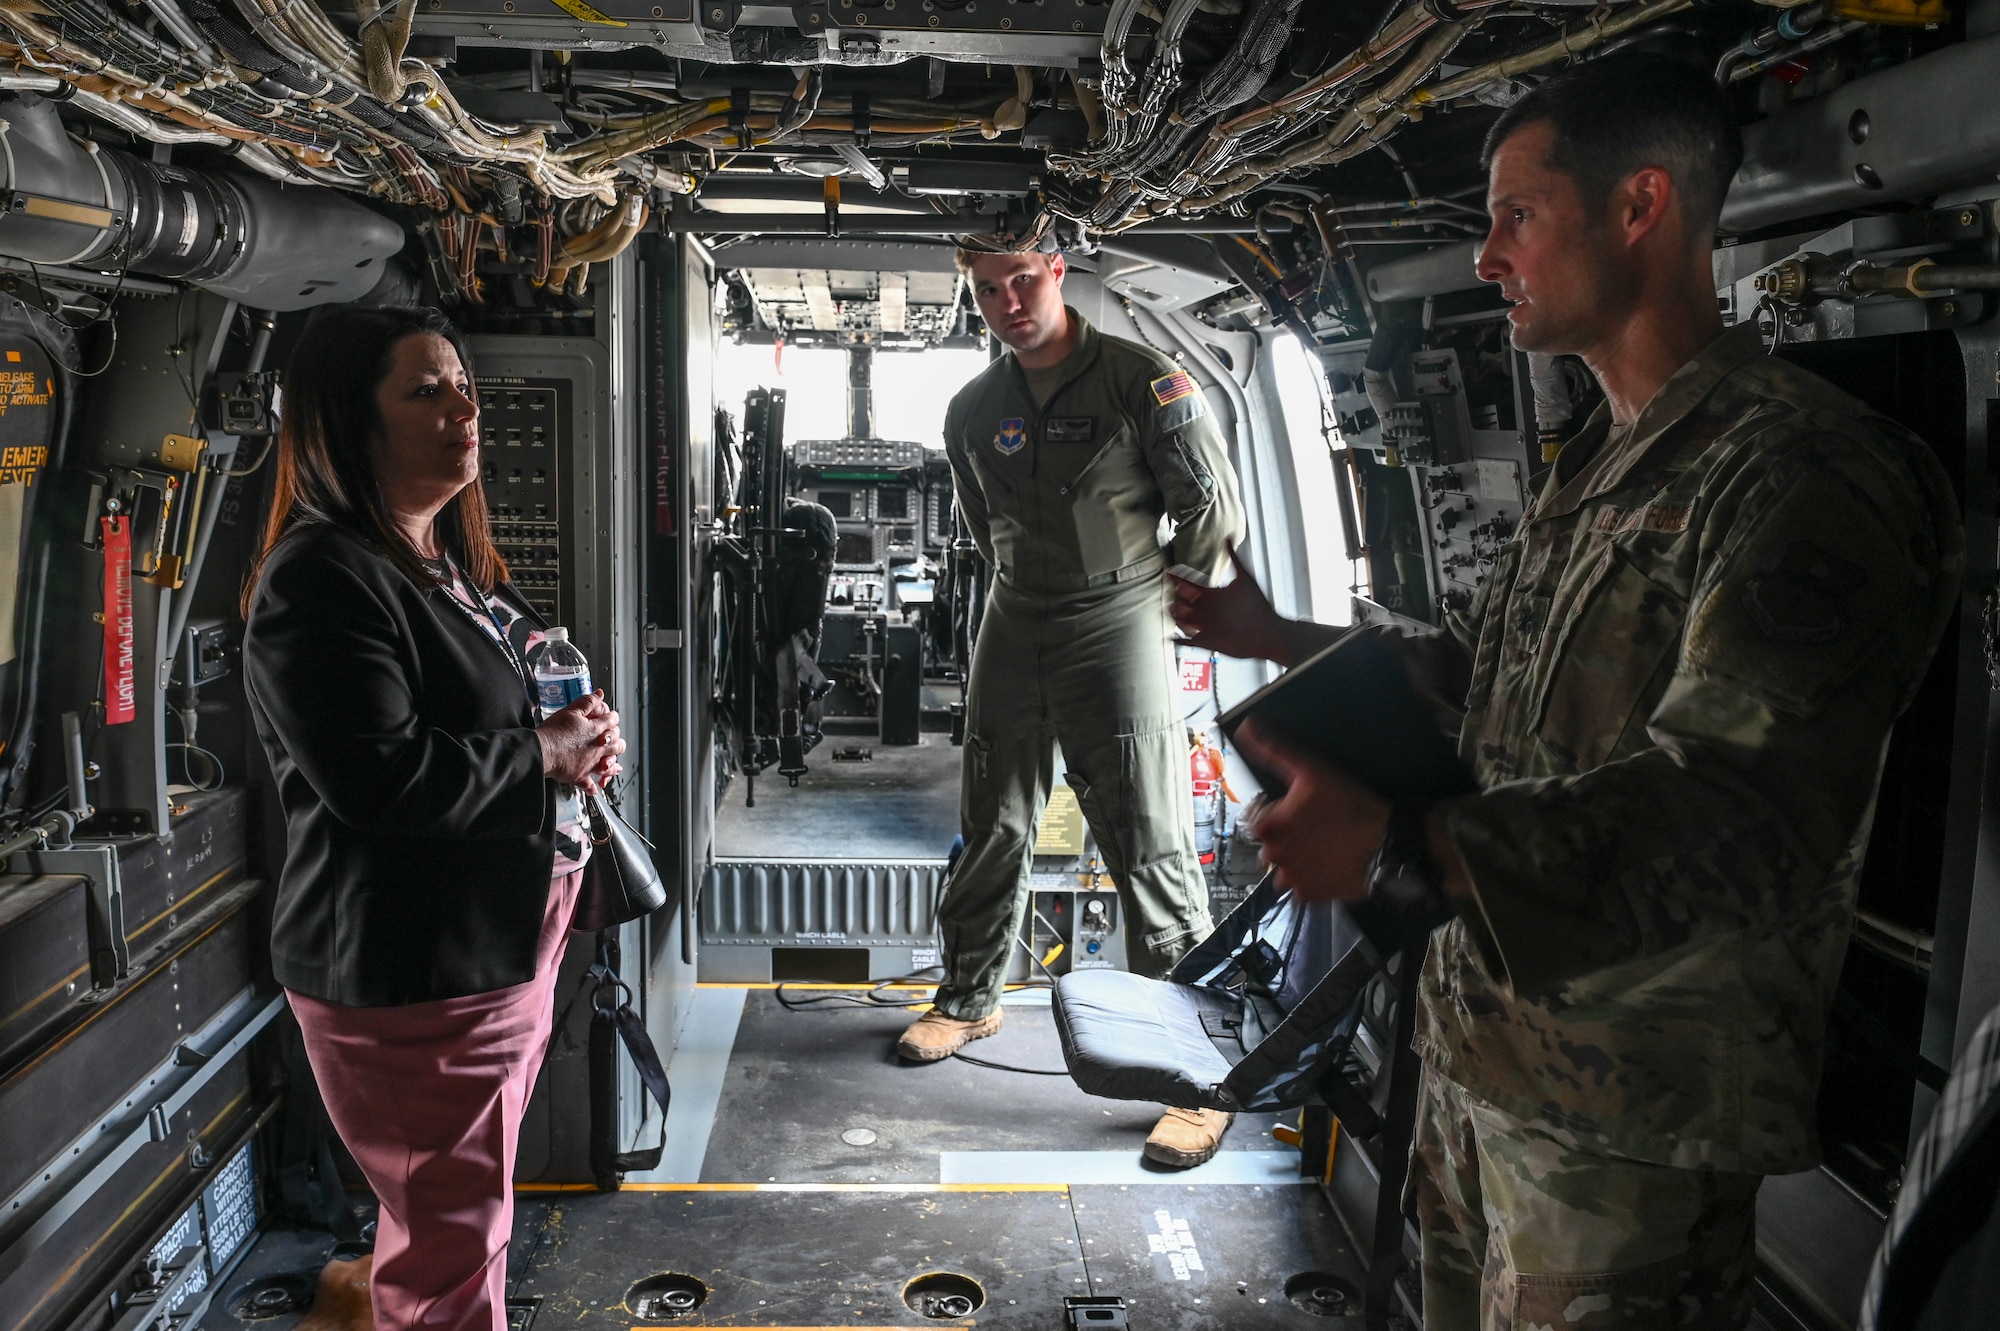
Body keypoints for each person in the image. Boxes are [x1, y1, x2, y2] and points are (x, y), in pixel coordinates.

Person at [1173, 55, 1961, 1329]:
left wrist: (1397, 840)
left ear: (1637, 206)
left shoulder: (1795, 477)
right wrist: (1287, 634)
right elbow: (1493, 677)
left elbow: (1745, 819)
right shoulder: (1603, 463)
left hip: (1625, 1124)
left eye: (1515, 216)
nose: (1486, 256)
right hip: (1487, 1060)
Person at [242, 305, 625, 1331]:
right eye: (426, 390)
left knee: (459, 1209)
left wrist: (578, 734)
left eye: (464, 387)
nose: (464, 408)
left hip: (488, 950)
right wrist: (542, 754)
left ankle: (372, 1289)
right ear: (346, 422)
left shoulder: (434, 563)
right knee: (457, 1245)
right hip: (420, 975)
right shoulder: (321, 578)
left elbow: (488, 717)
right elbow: (381, 777)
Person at [900, 245, 1248, 1167]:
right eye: (985, 289)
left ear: (1057, 269)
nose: (1007, 302)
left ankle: (1200, 1078)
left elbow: (1210, 519)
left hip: (1120, 616)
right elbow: (982, 524)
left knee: (1151, 840)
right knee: (992, 821)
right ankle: (969, 1001)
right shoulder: (972, 408)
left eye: (1022, 279)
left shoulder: (1148, 382)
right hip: (1015, 615)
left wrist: (1159, 607)